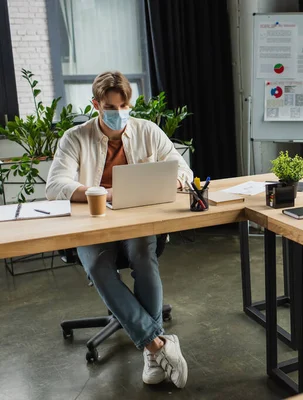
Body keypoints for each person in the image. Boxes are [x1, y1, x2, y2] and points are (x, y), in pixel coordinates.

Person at [46, 71, 193, 388]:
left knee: (143, 255)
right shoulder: (75, 138)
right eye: (111, 107)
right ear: (96, 105)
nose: (119, 113)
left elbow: (182, 167)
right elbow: (55, 184)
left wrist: (176, 179)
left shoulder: (147, 131)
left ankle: (152, 352)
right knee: (99, 265)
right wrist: (102, 193)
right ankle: (156, 346)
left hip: (137, 220)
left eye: (124, 105)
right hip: (92, 224)